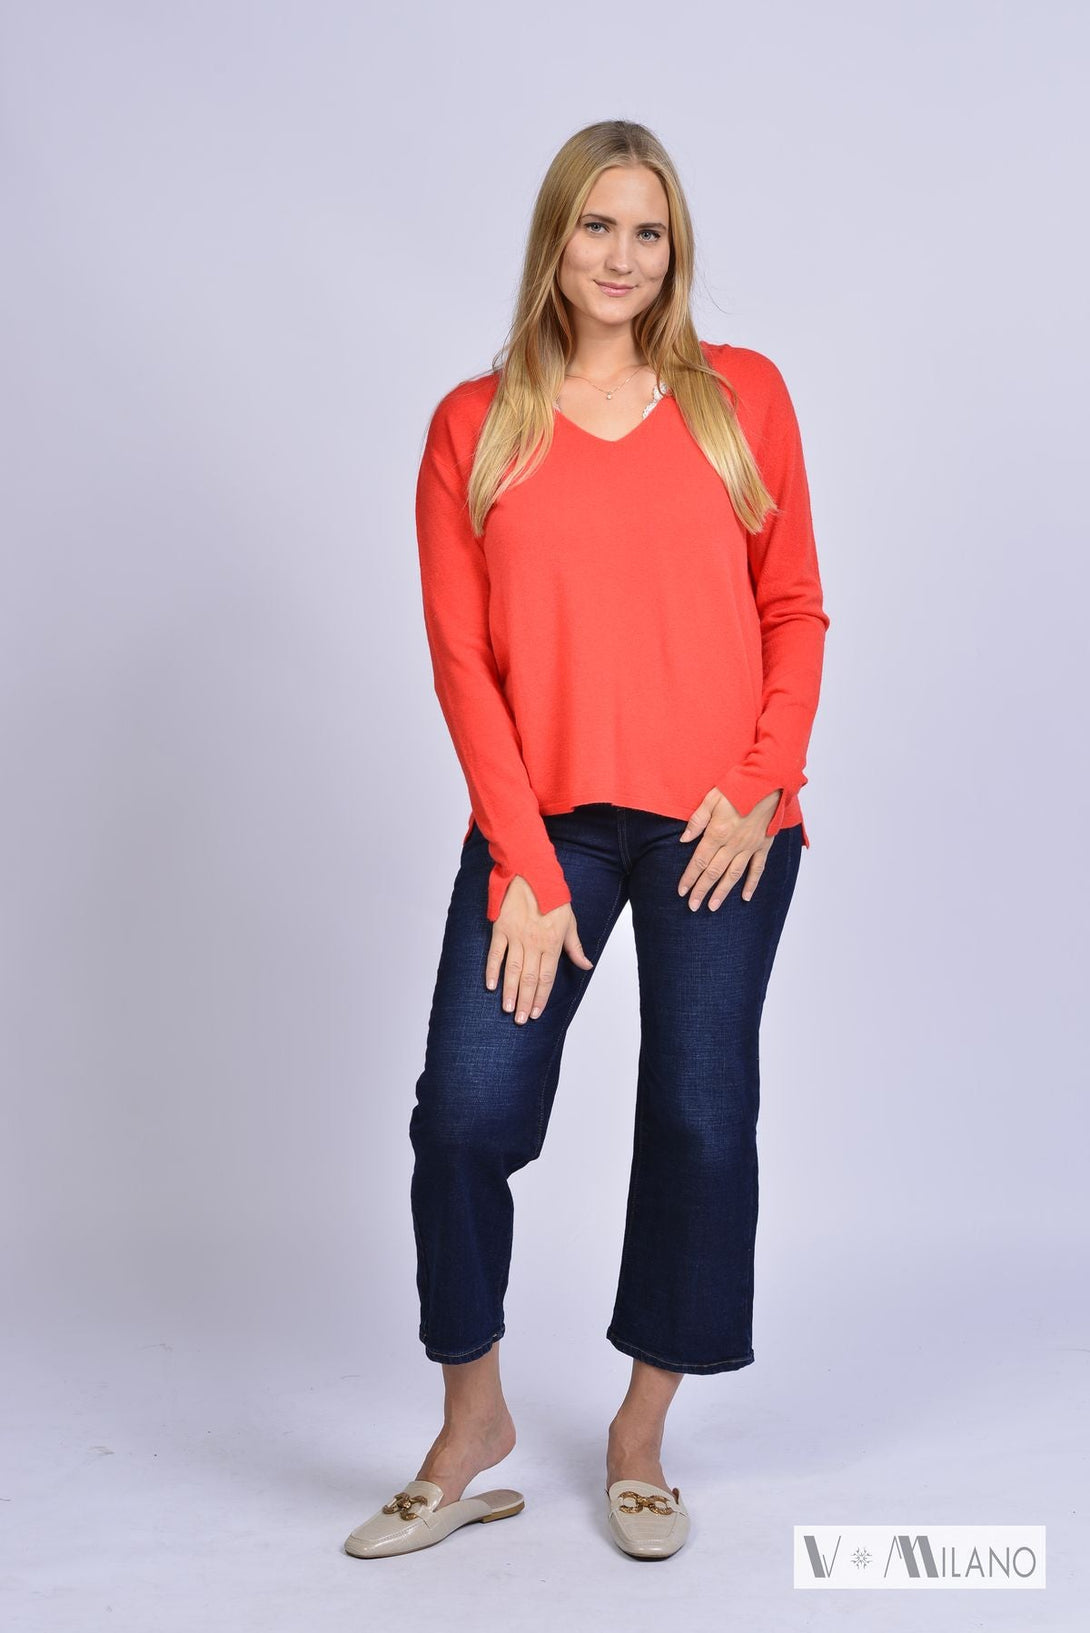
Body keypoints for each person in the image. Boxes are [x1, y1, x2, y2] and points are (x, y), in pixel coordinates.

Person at [345, 118, 830, 1562]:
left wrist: (762, 782)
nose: (621, 257)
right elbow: (463, 663)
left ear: (674, 251)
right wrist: (522, 860)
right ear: (554, 239)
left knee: (698, 1115)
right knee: (465, 1116)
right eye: (596, 226)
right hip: (546, 825)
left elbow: (794, 607)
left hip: (718, 827)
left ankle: (640, 1432)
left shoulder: (742, 397)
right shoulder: (475, 423)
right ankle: (472, 1420)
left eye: (648, 232)